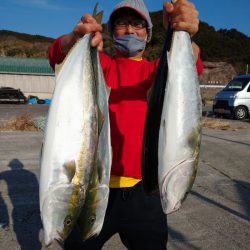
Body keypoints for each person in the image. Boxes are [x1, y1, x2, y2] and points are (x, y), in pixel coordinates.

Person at [49, 0, 202, 249]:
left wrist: (184, 32)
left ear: (148, 33)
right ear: (110, 32)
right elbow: (57, 55)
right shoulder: (100, 65)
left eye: (138, 24)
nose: (130, 30)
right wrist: (74, 40)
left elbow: (189, 67)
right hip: (92, 189)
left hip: (146, 193)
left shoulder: (157, 71)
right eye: (121, 24)